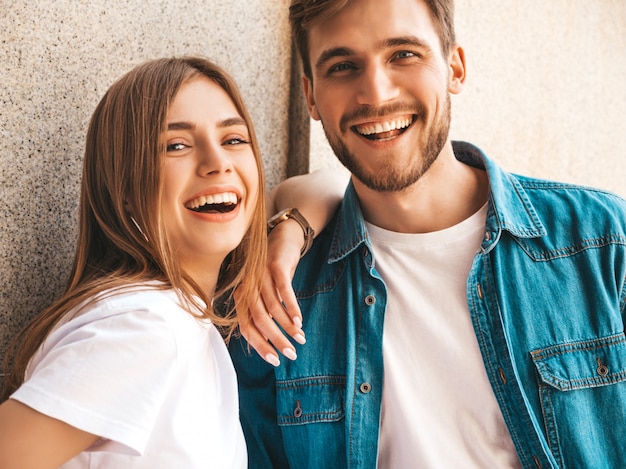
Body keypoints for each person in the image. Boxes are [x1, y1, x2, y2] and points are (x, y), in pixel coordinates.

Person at [228, 1, 626, 468]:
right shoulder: (277, 295)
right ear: (310, 96)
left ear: (454, 67)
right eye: (343, 66)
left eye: (403, 54)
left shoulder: (601, 241)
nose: (375, 93)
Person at [0, 56, 284, 468]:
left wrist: (292, 229)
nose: (218, 162)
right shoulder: (147, 328)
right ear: (126, 189)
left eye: (234, 140)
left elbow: (323, 186)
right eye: (177, 145)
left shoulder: (180, 321)